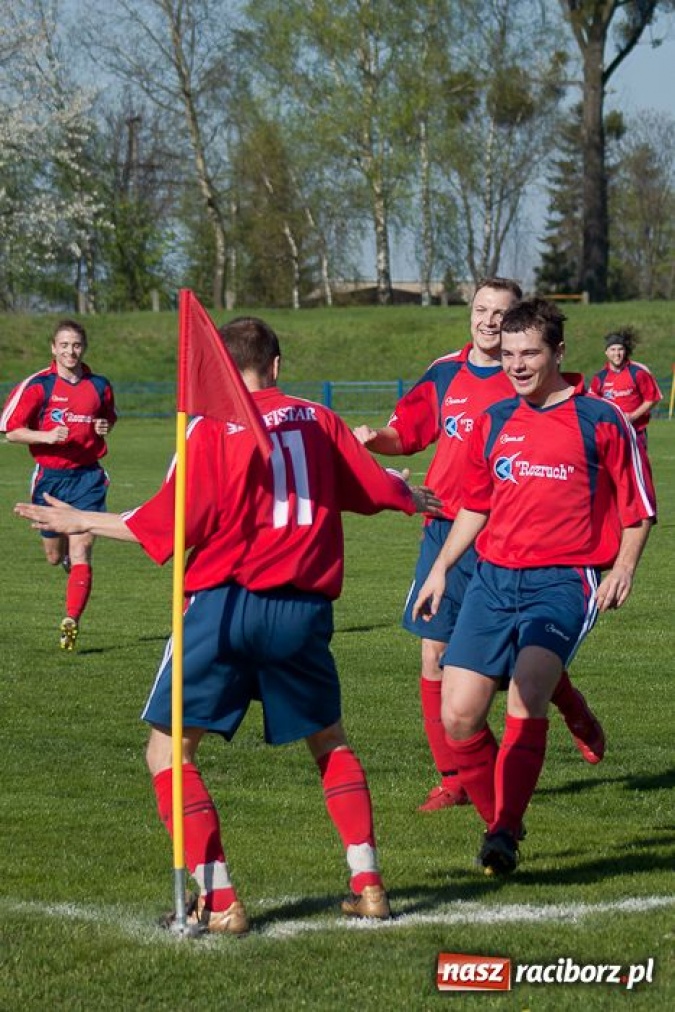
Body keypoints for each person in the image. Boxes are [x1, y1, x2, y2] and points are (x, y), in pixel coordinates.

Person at [15, 316, 440, 934]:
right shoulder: (318, 419)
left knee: (168, 751)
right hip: (302, 612)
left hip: (225, 605)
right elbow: (366, 484)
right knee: (330, 743)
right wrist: (408, 497)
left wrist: (84, 520)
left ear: (217, 368)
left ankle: (220, 901)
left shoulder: (211, 430)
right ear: (277, 364)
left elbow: (166, 522)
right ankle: (369, 885)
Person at [412, 298, 655, 875]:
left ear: (558, 354)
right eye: (510, 354)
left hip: (564, 582)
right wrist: (443, 568)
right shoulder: (495, 420)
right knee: (460, 715)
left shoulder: (600, 419)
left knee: (525, 694)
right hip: (493, 582)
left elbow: (639, 510)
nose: (517, 365)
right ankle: (503, 817)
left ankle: (503, 830)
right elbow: (476, 504)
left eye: (530, 354)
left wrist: (623, 568)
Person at [354, 278, 605, 814]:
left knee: (517, 661)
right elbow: (410, 432)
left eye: (502, 313)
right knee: (433, 656)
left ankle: (572, 709)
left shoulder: (530, 383)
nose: (489, 321)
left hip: (510, 537)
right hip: (448, 528)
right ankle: (454, 779)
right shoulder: (446, 372)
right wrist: (377, 439)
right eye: (481, 310)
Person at [1, 319, 117, 650]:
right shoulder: (39, 386)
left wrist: (103, 427)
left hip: (88, 476)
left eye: (76, 345)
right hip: (50, 479)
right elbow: (11, 431)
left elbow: (108, 417)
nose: (71, 351)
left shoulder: (99, 385)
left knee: (82, 545)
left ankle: (71, 620)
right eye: (64, 345)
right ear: (54, 348)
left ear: (84, 348)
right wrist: (46, 436)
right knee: (54, 556)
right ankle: (64, 559)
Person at [590, 328, 662, 452]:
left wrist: (632, 417)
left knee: (637, 470)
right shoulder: (599, 377)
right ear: (606, 352)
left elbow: (652, 398)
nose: (617, 354)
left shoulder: (638, 372)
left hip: (636, 432)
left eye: (620, 349)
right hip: (611, 433)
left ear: (625, 351)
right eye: (612, 349)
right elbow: (592, 403)